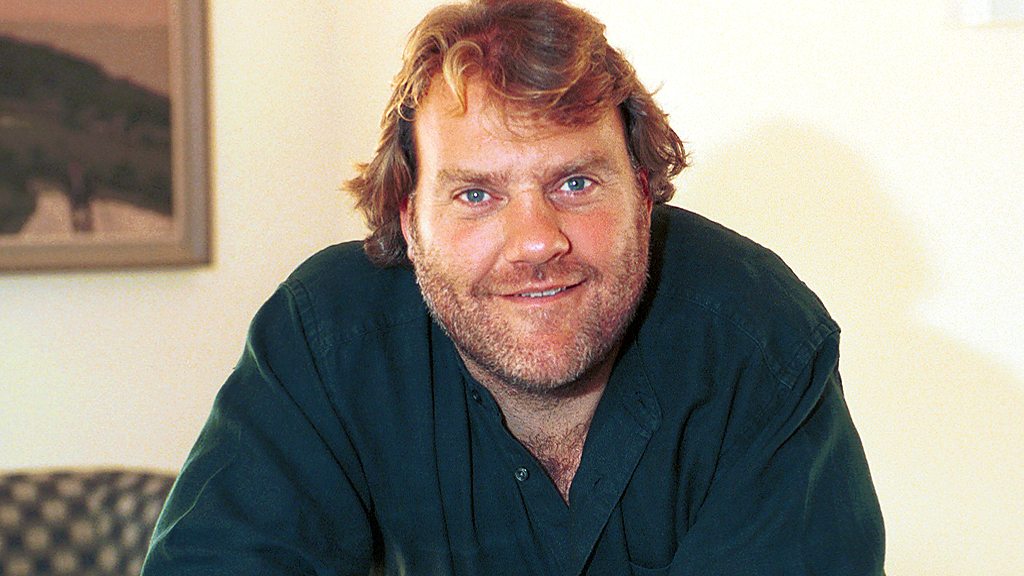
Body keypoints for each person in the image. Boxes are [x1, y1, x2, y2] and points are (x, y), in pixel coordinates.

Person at [142, 1, 885, 574]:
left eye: (575, 183)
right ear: (408, 219)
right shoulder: (328, 338)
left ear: (643, 192)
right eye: (476, 195)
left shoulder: (758, 340)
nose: (536, 241)